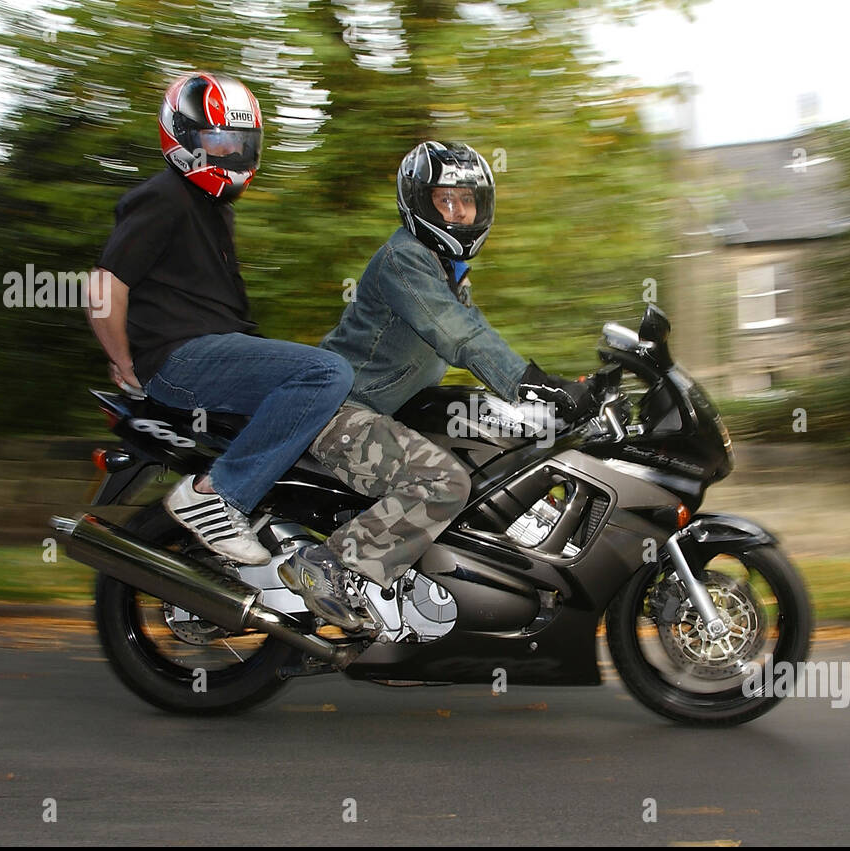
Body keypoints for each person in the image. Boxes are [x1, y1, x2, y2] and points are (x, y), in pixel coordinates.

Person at [278, 140, 593, 630]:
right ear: (418, 203)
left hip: (376, 411)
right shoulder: (404, 258)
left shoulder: (447, 273)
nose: (459, 212)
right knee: (444, 482)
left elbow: (480, 335)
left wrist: (547, 392)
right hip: (337, 413)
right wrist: (534, 384)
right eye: (445, 200)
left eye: (467, 201)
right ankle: (329, 565)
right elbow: (457, 334)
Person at [86, 72, 352, 566]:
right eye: (218, 140)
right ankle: (214, 494)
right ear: (183, 138)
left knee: (320, 399)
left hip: (204, 350)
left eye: (240, 141)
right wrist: (123, 362)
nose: (231, 153)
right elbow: (104, 284)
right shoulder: (164, 196)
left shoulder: (211, 206)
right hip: (182, 357)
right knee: (326, 372)